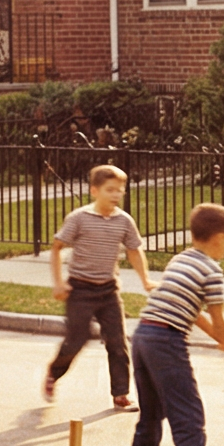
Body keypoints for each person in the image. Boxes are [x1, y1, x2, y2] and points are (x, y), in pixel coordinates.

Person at [122, 201, 224, 446]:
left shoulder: (181, 260)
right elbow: (219, 320)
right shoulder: (212, 270)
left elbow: (193, 313)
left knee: (152, 411)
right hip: (166, 341)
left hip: (143, 336)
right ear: (219, 237)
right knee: (188, 415)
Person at [42, 163, 154, 407]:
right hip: (80, 289)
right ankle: (54, 373)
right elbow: (57, 248)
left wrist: (145, 280)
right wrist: (59, 283)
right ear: (94, 191)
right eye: (110, 190)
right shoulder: (79, 219)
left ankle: (121, 393)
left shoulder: (124, 221)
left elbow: (135, 250)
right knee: (76, 340)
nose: (116, 195)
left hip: (108, 290)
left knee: (117, 341)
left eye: (119, 190)